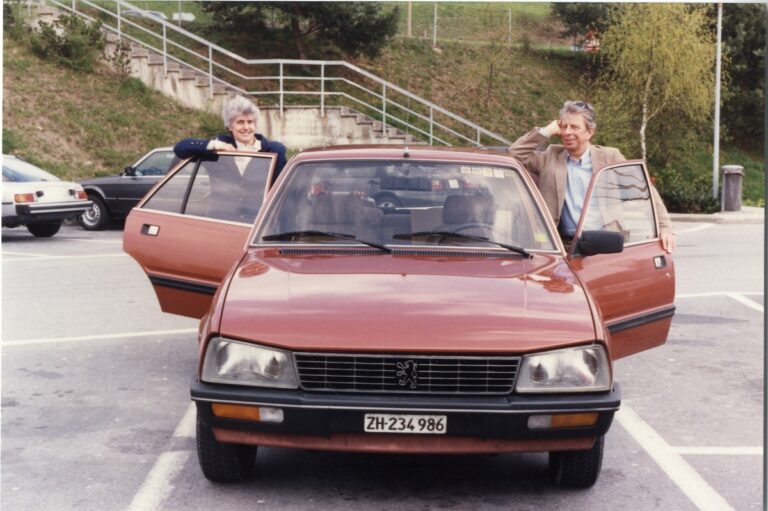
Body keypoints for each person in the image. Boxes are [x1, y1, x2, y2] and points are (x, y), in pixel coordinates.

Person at [508, 100, 675, 253]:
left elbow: (644, 190)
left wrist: (664, 227)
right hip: (564, 247)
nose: (567, 132)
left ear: (590, 132)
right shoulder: (549, 157)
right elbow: (515, 153)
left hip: (606, 245)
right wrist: (546, 131)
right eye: (564, 127)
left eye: (574, 127)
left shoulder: (610, 157)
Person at [173, 95, 287, 181]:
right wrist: (216, 145)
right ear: (230, 127)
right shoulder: (216, 151)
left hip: (261, 212)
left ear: (255, 125)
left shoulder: (275, 150)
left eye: (250, 122)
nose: (246, 127)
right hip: (220, 212)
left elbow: (283, 188)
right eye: (240, 122)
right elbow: (180, 148)